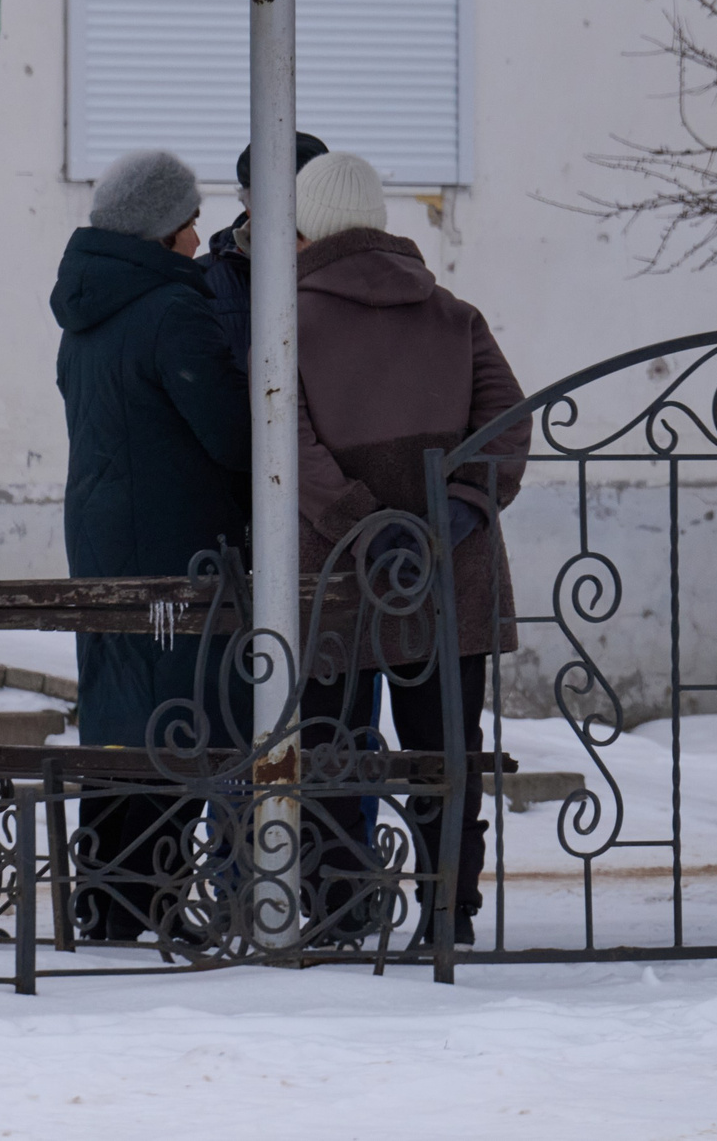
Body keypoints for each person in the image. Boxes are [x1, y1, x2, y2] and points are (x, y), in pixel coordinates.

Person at [287, 151, 529, 948]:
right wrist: (455, 511)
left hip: (335, 572)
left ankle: (334, 903)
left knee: (329, 745)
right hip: (447, 573)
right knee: (445, 748)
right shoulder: (453, 313)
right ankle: (449, 909)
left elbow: (285, 440)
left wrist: (363, 521)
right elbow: (508, 423)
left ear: (307, 222)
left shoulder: (286, 321)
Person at [50, 150, 252, 940]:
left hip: (103, 544)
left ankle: (107, 903)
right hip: (178, 548)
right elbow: (232, 436)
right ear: (162, 230)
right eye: (191, 221)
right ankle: (153, 902)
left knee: (118, 723)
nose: (202, 236)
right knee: (182, 720)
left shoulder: (85, 314)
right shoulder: (173, 310)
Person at [199, 130, 328, 358]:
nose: (292, 214)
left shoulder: (359, 274)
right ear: (249, 204)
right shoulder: (203, 283)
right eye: (278, 199)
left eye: (307, 200)